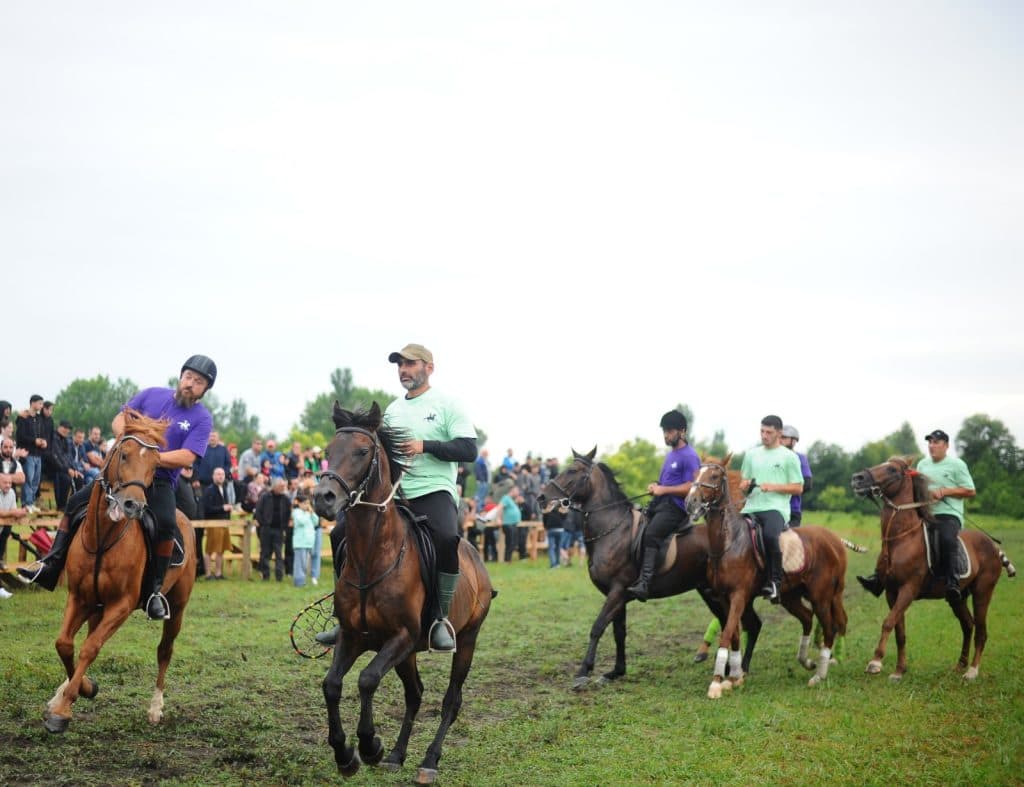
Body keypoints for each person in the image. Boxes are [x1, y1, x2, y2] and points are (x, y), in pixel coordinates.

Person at [18, 355, 217, 621]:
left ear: (205, 390)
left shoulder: (201, 418)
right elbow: (119, 420)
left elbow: (188, 456)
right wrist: (130, 445)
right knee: (77, 501)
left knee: (168, 523)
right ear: (181, 376)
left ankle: (154, 592)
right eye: (189, 377)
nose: (191, 383)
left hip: (158, 481)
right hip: (123, 474)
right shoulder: (151, 395)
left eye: (199, 381)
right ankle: (51, 564)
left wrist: (149, 456)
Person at [382, 343, 478, 652]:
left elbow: (468, 450)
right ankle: (344, 615)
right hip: (396, 493)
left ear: (429, 368)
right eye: (400, 365)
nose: (403, 370)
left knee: (447, 539)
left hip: (434, 490)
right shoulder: (392, 410)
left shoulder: (448, 404)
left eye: (410, 364)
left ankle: (439, 618)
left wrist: (426, 445)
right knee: (345, 530)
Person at [857, 429, 976, 603]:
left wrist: (944, 491)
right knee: (894, 538)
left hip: (947, 515)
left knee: (947, 538)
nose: (931, 446)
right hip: (924, 513)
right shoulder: (923, 465)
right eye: (930, 442)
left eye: (936, 442)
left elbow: (970, 490)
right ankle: (878, 578)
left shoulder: (957, 465)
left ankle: (953, 583)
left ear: (946, 446)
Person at [625, 410, 701, 601]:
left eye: (669, 431)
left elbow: (692, 487)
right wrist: (656, 487)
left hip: (677, 508)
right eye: (664, 431)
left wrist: (664, 490)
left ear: (682, 431)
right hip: (661, 504)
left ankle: (645, 583)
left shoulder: (690, 456)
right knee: (636, 527)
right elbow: (665, 484)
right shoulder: (671, 455)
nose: (666, 435)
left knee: (651, 534)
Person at [739, 415, 804, 604]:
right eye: (762, 431)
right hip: (751, 506)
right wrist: (745, 485)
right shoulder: (751, 454)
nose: (764, 435)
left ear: (779, 433)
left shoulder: (789, 457)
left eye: (769, 432)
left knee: (769, 536)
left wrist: (774, 486)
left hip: (775, 508)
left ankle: (775, 582)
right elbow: (745, 481)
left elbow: (798, 488)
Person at [14, 395, 48, 513]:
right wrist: (34, 441)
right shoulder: (23, 417)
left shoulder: (40, 419)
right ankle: (26, 503)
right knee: (28, 479)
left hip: (38, 454)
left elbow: (43, 434)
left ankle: (31, 502)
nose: (41, 406)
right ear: (32, 403)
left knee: (35, 481)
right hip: (27, 454)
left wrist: (43, 442)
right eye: (39, 403)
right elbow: (20, 436)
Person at [201, 466, 234, 580]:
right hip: (213, 523)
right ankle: (208, 574)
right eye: (218, 474)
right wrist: (222, 508)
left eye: (222, 474)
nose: (220, 476)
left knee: (221, 550)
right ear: (213, 476)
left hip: (224, 523)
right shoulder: (209, 489)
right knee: (209, 549)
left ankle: (219, 573)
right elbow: (207, 508)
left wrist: (227, 510)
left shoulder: (224, 488)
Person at [254, 477, 291, 581]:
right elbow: (258, 511)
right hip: (266, 529)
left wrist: (284, 526)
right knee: (265, 553)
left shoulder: (286, 499)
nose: (283, 488)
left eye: (284, 486)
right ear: (274, 486)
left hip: (279, 530)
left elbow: (288, 513)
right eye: (281, 486)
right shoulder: (265, 497)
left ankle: (279, 576)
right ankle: (265, 576)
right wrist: (263, 523)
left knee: (279, 554)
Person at [780, 425, 813, 526]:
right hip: (770, 508)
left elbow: (807, 484)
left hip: (791, 510)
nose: (781, 440)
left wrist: (779, 488)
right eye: (780, 437)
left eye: (784, 438)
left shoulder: (800, 458)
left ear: (793, 441)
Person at [51, 419, 86, 511]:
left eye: (68, 429)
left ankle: (73, 504)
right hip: (53, 467)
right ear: (59, 427)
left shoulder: (65, 440)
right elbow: (56, 456)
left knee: (79, 479)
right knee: (65, 479)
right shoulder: (54, 438)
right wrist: (67, 470)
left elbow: (68, 457)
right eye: (64, 428)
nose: (66, 430)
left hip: (64, 467)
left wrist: (74, 470)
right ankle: (61, 506)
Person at [291, 490, 318, 587]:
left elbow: (316, 522)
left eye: (308, 503)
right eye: (305, 503)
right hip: (300, 542)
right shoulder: (296, 512)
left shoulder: (308, 513)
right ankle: (299, 581)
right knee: (300, 563)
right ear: (299, 504)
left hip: (308, 543)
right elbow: (301, 521)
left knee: (305, 564)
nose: (307, 505)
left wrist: (312, 513)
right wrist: (308, 513)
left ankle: (303, 580)